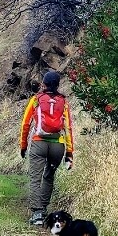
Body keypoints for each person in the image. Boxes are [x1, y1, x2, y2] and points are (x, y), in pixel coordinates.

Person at [19, 70, 74, 225]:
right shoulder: (64, 102)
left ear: (43, 84)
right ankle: (43, 208)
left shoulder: (36, 100)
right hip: (58, 146)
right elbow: (68, 128)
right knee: (49, 176)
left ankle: (37, 214)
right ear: (58, 84)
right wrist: (69, 152)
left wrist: (23, 145)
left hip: (39, 144)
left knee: (35, 177)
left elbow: (25, 124)